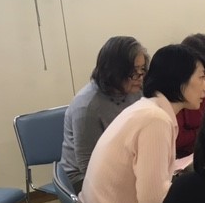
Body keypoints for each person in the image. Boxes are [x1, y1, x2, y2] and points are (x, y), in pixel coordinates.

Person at [79, 44, 205, 203]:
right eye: (201, 77)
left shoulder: (146, 108)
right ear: (179, 80)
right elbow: (152, 202)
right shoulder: (155, 120)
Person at [59, 36, 148, 192]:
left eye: (142, 69)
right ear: (115, 72)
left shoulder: (135, 91)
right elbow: (88, 166)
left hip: (121, 164)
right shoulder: (87, 107)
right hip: (83, 179)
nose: (140, 77)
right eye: (133, 72)